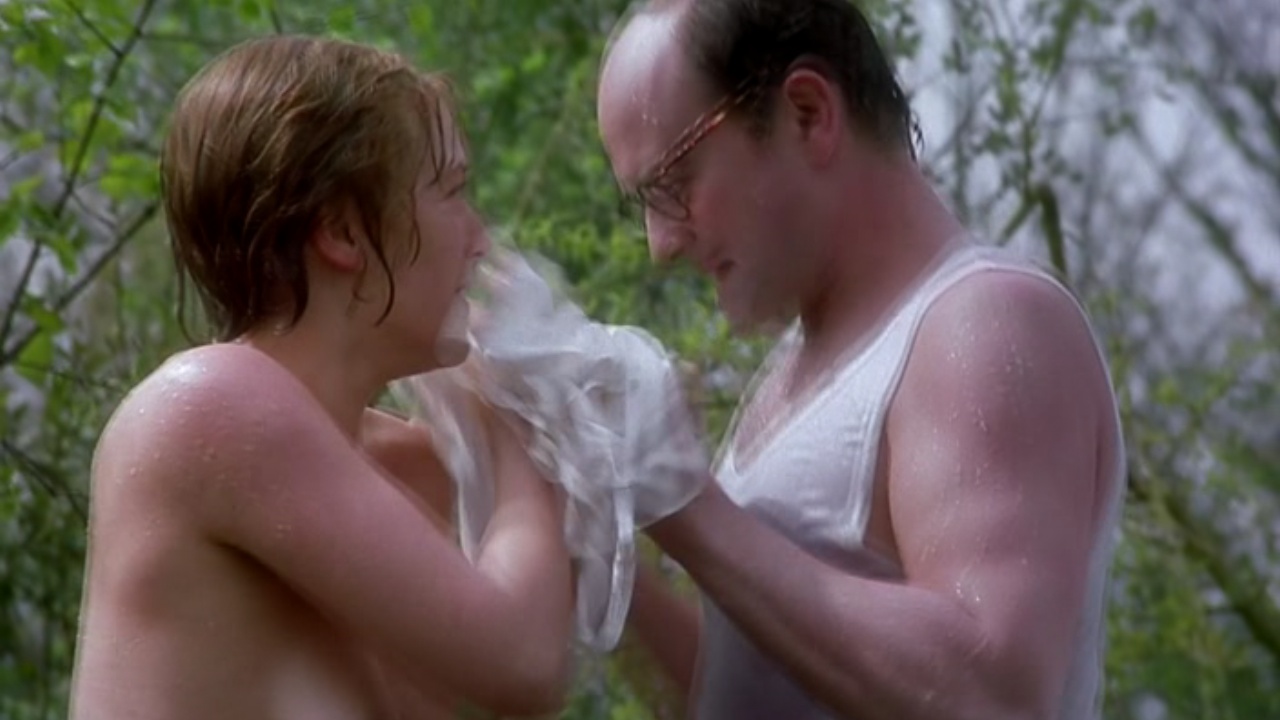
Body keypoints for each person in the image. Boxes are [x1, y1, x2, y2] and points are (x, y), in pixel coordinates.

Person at [595, 1, 1127, 718]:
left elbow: (991, 691)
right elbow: (758, 685)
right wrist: (594, 537)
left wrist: (689, 506)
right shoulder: (791, 373)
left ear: (808, 113)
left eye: (674, 183)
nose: (660, 243)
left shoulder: (987, 322)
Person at [69, 35, 573, 719]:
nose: (479, 236)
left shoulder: (389, 467)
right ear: (341, 231)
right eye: (453, 192)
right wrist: (517, 415)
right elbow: (523, 662)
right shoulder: (212, 404)